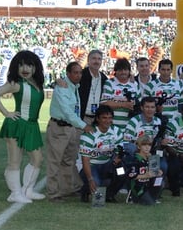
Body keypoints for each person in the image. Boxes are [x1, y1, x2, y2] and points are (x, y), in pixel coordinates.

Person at [0, 50, 45, 203]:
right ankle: (15, 193)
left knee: (38, 158)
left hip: (32, 126)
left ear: (35, 67)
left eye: (29, 65)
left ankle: (27, 190)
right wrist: (7, 113)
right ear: (16, 67)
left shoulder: (36, 83)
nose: (24, 69)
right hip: (17, 125)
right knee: (15, 160)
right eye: (20, 65)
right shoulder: (15, 84)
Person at [46, 62, 93, 202]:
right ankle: (53, 193)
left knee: (69, 160)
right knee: (54, 161)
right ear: (68, 73)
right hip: (59, 127)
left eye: (80, 73)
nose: (78, 75)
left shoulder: (74, 86)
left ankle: (67, 189)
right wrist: (84, 125)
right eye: (75, 72)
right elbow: (67, 112)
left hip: (71, 128)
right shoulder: (62, 88)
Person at [79, 105, 126, 203]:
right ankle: (85, 190)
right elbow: (85, 160)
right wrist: (90, 179)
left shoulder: (116, 131)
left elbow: (119, 150)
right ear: (97, 119)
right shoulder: (89, 135)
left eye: (110, 118)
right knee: (96, 182)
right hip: (91, 165)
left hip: (108, 164)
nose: (107, 121)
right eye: (104, 118)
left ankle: (109, 195)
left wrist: (118, 158)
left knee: (122, 172)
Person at [101, 58, 141, 130]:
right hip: (112, 127)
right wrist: (124, 105)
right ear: (115, 71)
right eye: (120, 70)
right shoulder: (109, 83)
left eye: (125, 70)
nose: (123, 72)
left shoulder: (134, 84)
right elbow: (105, 103)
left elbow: (140, 104)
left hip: (130, 127)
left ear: (129, 71)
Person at [125, 135, 164, 205]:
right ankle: (133, 198)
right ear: (139, 146)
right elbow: (129, 175)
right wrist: (145, 176)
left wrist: (158, 172)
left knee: (160, 180)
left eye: (149, 145)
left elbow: (155, 172)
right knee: (150, 204)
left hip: (148, 185)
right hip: (138, 187)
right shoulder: (134, 159)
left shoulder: (151, 158)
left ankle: (153, 198)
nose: (147, 147)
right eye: (144, 145)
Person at [79, 49, 109, 125]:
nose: (96, 61)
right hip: (81, 118)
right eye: (94, 58)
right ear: (88, 60)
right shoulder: (80, 75)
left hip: (97, 119)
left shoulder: (104, 78)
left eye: (99, 59)